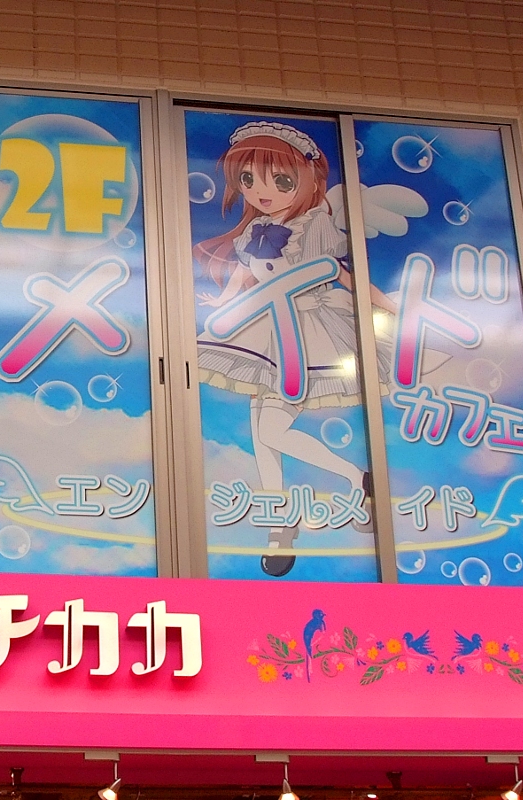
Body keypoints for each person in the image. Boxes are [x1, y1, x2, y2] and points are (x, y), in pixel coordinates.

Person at [194, 121, 387, 577]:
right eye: (248, 179)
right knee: (263, 435)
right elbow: (246, 272)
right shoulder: (257, 228)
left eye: (280, 181)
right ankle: (280, 523)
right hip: (265, 330)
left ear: (309, 180)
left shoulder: (315, 224)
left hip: (304, 331)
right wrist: (223, 303)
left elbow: (338, 273)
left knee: (271, 432)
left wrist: (384, 304)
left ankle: (353, 479)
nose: (261, 191)